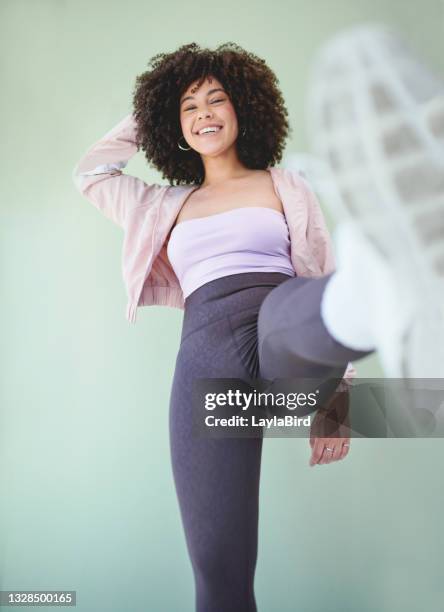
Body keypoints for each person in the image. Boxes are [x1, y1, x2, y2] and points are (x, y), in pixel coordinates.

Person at [72, 41, 441, 612]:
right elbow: (92, 173)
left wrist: (337, 404)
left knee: (286, 321)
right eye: (189, 107)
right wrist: (151, 112)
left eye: (217, 99)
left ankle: (376, 292)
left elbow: (318, 267)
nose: (204, 114)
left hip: (281, 332)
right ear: (174, 124)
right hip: (207, 371)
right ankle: (382, 303)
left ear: (244, 107)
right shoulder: (161, 205)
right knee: (220, 570)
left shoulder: (286, 185)